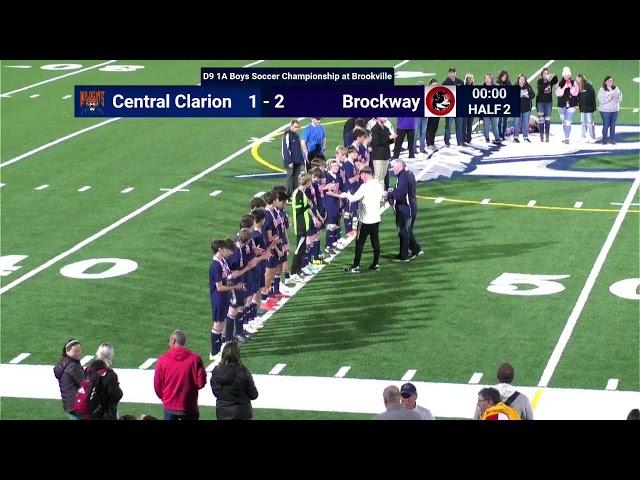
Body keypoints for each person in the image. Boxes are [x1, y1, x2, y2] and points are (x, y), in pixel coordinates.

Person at [154, 330, 207, 420]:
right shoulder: (195, 359)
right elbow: (201, 383)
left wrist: (165, 399)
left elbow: (157, 385)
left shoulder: (162, 360)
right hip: (189, 406)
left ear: (173, 341)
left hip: (169, 406)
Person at [340, 166, 384, 273]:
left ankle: (356, 266)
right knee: (375, 241)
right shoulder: (379, 185)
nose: (361, 177)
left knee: (359, 243)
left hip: (365, 220)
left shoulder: (365, 186)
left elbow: (354, 198)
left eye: (361, 175)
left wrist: (347, 194)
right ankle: (375, 263)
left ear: (365, 174)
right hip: (376, 218)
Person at [210, 341, 259, 420]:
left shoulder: (216, 371)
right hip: (242, 412)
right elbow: (253, 394)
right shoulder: (243, 371)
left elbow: (216, 392)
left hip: (223, 412)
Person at [386, 160, 420, 261]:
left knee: (403, 232)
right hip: (411, 207)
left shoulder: (403, 176)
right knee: (407, 230)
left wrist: (389, 195)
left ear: (400, 166)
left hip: (405, 209)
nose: (393, 169)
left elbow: (401, 193)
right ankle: (416, 249)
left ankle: (403, 256)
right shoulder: (409, 173)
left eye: (394, 167)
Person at [84, 342, 123, 420]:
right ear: (110, 355)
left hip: (88, 410)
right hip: (104, 412)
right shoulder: (110, 374)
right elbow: (116, 395)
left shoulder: (88, 370)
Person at [53, 338, 84, 419]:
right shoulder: (72, 366)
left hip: (69, 404)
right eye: (76, 351)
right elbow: (83, 383)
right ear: (67, 351)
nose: (79, 353)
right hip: (78, 403)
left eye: (79, 350)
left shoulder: (63, 363)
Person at [370, 117, 397, 189]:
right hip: (378, 156)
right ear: (379, 118)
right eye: (384, 117)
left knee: (383, 176)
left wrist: (393, 139)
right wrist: (389, 138)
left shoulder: (386, 128)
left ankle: (381, 193)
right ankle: (376, 193)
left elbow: (388, 141)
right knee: (377, 176)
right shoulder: (374, 129)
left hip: (386, 155)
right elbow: (376, 143)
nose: (386, 119)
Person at [282, 119, 305, 198]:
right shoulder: (287, 135)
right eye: (295, 127)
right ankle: (288, 196)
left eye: (298, 127)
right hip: (291, 161)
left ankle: (295, 194)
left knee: (296, 178)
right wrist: (288, 161)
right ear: (291, 126)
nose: (297, 129)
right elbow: (285, 149)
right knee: (290, 178)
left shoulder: (296, 135)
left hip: (297, 160)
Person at [556, 66, 579, 144]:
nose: (567, 77)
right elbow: (559, 94)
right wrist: (564, 87)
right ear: (563, 75)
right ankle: (565, 136)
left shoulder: (574, 83)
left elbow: (575, 93)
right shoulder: (560, 83)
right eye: (566, 75)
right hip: (562, 105)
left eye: (568, 75)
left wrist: (571, 87)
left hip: (571, 105)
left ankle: (567, 138)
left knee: (568, 121)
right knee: (563, 121)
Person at [598, 75, 622, 145]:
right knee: (606, 124)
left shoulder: (616, 88)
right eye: (609, 81)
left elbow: (619, 99)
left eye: (611, 80)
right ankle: (604, 141)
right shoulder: (602, 89)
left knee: (613, 125)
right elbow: (601, 100)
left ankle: (613, 140)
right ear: (605, 82)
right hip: (605, 110)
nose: (610, 82)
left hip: (614, 110)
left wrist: (615, 96)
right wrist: (609, 96)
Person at [536, 67, 558, 142]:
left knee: (547, 120)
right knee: (541, 120)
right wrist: (548, 81)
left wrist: (554, 75)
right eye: (544, 73)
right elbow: (542, 89)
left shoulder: (551, 81)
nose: (546, 75)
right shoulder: (539, 81)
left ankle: (547, 136)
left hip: (548, 103)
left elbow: (556, 79)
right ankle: (541, 136)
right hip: (540, 103)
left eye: (547, 73)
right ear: (542, 75)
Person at [576, 74, 597, 143]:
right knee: (583, 123)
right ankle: (583, 136)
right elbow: (579, 97)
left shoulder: (588, 86)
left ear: (581, 78)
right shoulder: (579, 86)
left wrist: (592, 107)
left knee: (590, 123)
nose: (576, 80)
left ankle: (592, 137)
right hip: (583, 108)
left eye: (577, 78)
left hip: (589, 109)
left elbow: (592, 97)